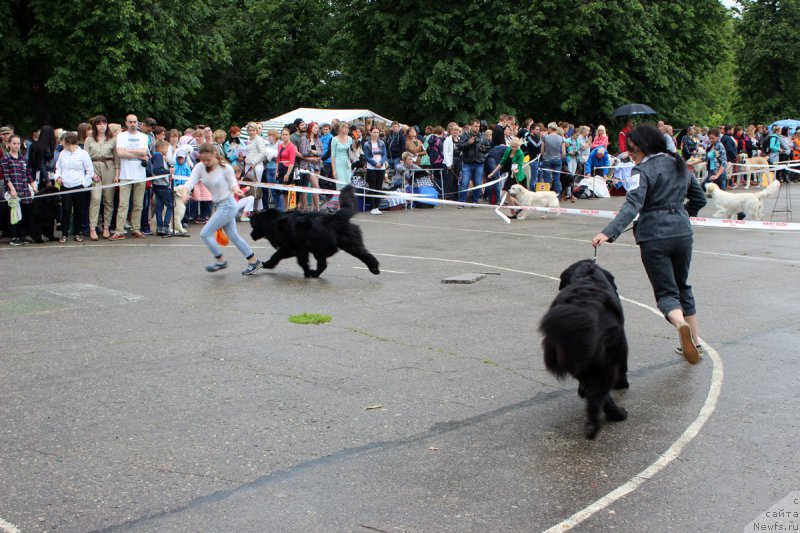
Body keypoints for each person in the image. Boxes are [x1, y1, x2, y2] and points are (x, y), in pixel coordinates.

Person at [592, 124, 707, 364]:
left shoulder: (640, 171)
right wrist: (682, 214)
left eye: (631, 148)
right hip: (682, 232)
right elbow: (699, 198)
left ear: (643, 146)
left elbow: (632, 205)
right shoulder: (679, 164)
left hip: (654, 235)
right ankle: (695, 341)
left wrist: (608, 232)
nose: (629, 153)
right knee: (683, 286)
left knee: (666, 291)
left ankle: (680, 323)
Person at [183, 143, 262, 274]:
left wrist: (237, 190)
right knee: (234, 236)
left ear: (215, 154)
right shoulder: (200, 167)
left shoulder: (226, 168)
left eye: (208, 160)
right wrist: (185, 192)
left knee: (205, 234)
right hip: (220, 205)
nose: (205, 163)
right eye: (203, 160)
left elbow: (233, 183)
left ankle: (221, 261)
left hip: (228, 205)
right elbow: (190, 182)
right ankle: (254, 261)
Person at [111, 114, 149, 240]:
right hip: (125, 174)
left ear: (137, 123)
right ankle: (119, 230)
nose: (133, 124)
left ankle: (135, 229)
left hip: (140, 175)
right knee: (123, 204)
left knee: (138, 204)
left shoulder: (143, 136)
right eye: (130, 122)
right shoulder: (121, 136)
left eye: (135, 122)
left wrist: (127, 151)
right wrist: (138, 154)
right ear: (126, 123)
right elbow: (120, 153)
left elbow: (144, 152)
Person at [84, 115, 119, 240]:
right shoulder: (89, 140)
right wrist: (91, 173)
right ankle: (92, 228)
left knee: (108, 199)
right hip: (94, 167)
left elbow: (116, 158)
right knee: (95, 198)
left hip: (108, 167)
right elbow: (85, 158)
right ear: (95, 126)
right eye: (99, 123)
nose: (102, 125)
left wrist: (117, 174)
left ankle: (106, 227)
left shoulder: (112, 139)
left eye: (104, 123)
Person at [54, 132, 93, 243]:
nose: (62, 143)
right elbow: (58, 168)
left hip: (78, 186)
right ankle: (64, 233)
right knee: (66, 209)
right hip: (65, 185)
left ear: (69, 142)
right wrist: (58, 177)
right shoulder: (62, 153)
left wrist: (84, 183)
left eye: (63, 141)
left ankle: (77, 232)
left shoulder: (83, 154)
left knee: (79, 209)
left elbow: (89, 171)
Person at [2, 134, 35, 245]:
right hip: (13, 191)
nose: (16, 146)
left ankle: (22, 235)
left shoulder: (22, 158)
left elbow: (27, 173)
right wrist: (12, 189)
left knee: (24, 213)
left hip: (24, 189)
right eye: (14, 143)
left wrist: (33, 185)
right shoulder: (5, 159)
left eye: (18, 144)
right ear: (9, 144)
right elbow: (6, 177)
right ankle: (14, 236)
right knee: (13, 214)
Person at [487, 136, 526, 216]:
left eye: (516, 147)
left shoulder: (520, 153)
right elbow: (502, 162)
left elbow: (520, 166)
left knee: (508, 194)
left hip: (517, 176)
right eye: (512, 146)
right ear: (510, 145)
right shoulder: (508, 150)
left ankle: (516, 210)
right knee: (506, 193)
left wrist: (516, 170)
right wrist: (493, 173)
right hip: (510, 175)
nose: (514, 148)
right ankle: (518, 208)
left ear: (518, 146)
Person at [456, 119, 491, 206]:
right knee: (464, 183)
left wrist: (484, 150)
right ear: (471, 126)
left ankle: (474, 201)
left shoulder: (482, 136)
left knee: (478, 183)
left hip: (479, 163)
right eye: (475, 126)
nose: (477, 128)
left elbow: (488, 148)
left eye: (478, 126)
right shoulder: (465, 135)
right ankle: (461, 202)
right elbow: (459, 147)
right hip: (467, 163)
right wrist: (468, 143)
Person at [149, 139, 173, 236]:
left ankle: (159, 227)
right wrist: (169, 171)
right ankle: (166, 226)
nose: (167, 150)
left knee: (159, 206)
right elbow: (157, 170)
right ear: (161, 148)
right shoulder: (158, 156)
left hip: (156, 185)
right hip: (163, 185)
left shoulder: (157, 157)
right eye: (166, 148)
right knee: (170, 205)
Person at [297, 121, 323, 211]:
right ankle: (318, 209)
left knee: (314, 187)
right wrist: (313, 152)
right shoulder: (304, 138)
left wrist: (313, 152)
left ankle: (313, 207)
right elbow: (303, 152)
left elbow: (321, 152)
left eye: (318, 127)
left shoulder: (317, 139)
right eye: (315, 127)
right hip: (307, 165)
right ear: (311, 128)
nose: (317, 129)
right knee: (316, 186)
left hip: (317, 165)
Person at [362, 126, 388, 215]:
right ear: (371, 133)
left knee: (379, 187)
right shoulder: (366, 144)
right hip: (371, 167)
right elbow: (366, 156)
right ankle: (372, 207)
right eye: (374, 132)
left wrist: (381, 163)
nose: (376, 134)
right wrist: (374, 163)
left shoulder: (382, 143)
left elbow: (385, 154)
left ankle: (377, 206)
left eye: (377, 132)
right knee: (372, 187)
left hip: (381, 167)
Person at [276, 127, 298, 207]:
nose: (284, 136)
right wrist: (276, 171)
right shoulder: (280, 146)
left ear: (289, 136)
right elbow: (278, 159)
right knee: (283, 191)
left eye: (286, 134)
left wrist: (288, 174)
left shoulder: (292, 146)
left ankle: (291, 210)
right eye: (283, 134)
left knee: (290, 191)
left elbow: (292, 161)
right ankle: (285, 210)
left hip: (288, 169)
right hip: (281, 169)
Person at [540, 122, 565, 195]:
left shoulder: (545, 138)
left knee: (546, 178)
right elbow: (563, 152)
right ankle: (557, 194)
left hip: (547, 159)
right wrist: (560, 157)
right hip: (557, 159)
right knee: (557, 178)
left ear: (550, 129)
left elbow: (542, 150)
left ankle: (547, 194)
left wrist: (544, 155)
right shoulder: (561, 138)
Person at [330, 122, 353, 190]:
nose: (348, 129)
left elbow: (351, 153)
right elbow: (332, 155)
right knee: (340, 185)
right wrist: (334, 170)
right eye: (345, 127)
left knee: (348, 184)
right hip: (338, 164)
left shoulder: (350, 139)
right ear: (340, 128)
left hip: (347, 163)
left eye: (348, 127)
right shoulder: (334, 139)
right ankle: (340, 200)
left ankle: (347, 200)